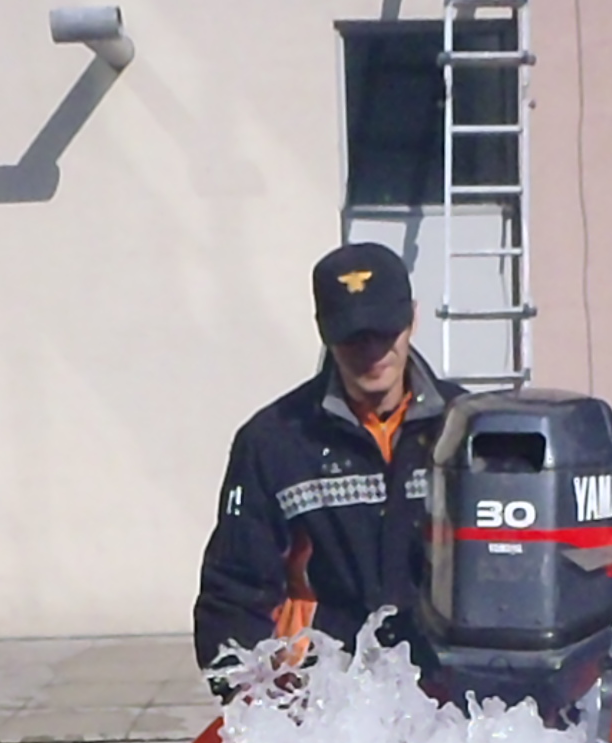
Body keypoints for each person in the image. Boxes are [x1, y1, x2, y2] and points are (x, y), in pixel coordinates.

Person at [194, 243, 464, 680]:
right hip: (320, 694)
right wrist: (245, 692)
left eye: (384, 331)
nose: (372, 351)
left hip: (443, 686)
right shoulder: (272, 441)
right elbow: (235, 587)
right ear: (325, 332)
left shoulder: (470, 429)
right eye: (353, 336)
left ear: (412, 319)